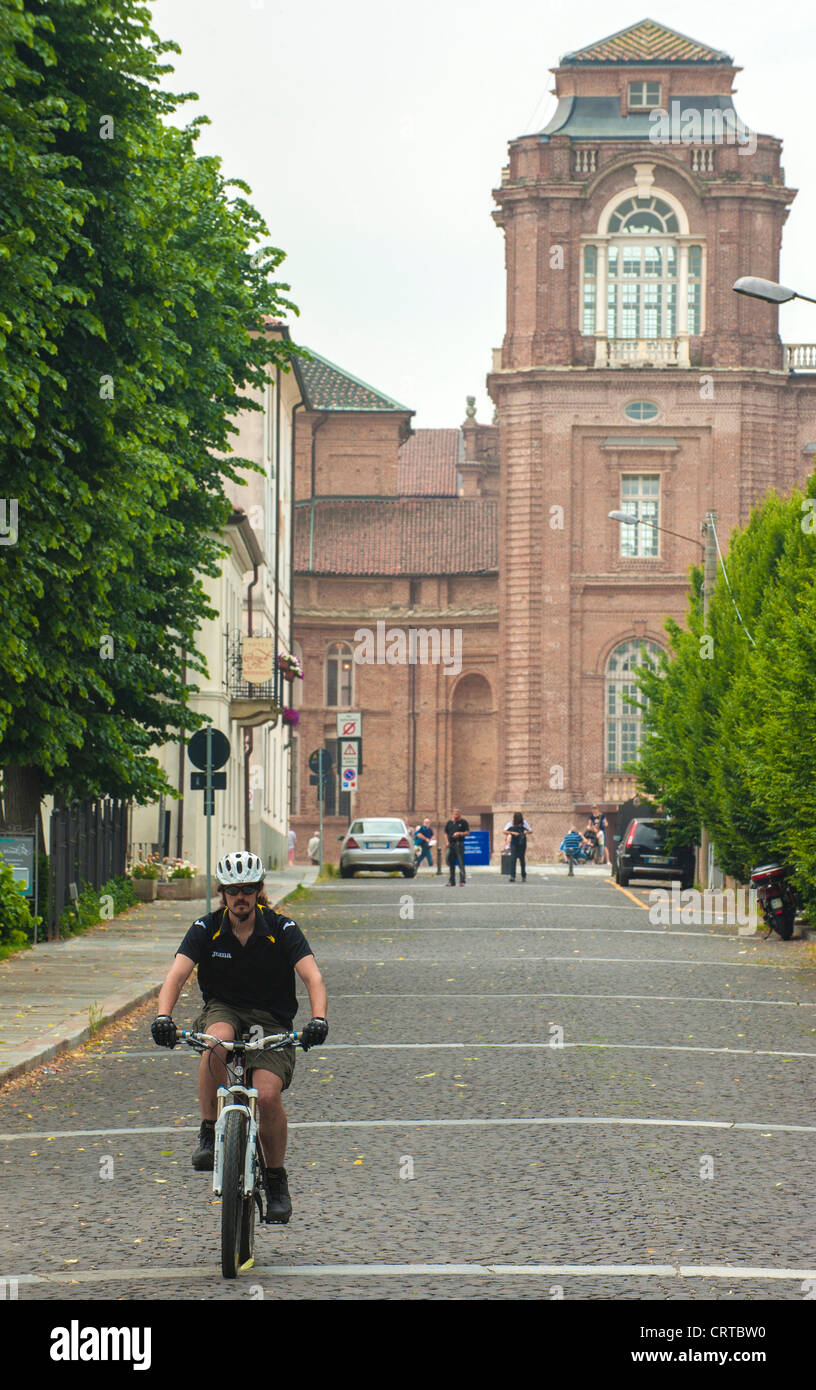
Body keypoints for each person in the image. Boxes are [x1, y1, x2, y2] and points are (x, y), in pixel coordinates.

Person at [149, 849, 328, 1224]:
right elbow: (176, 976)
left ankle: (277, 1181)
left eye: (247, 888)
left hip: (271, 1020)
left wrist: (318, 1019)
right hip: (224, 1009)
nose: (240, 896)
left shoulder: (282, 929)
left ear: (259, 890)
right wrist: (163, 1016)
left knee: (265, 1094)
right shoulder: (206, 928)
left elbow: (312, 977)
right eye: (233, 889)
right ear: (223, 893)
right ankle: (208, 1132)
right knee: (214, 1042)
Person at [444, 807, 469, 886]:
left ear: (460, 813)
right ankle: (452, 881)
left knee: (461, 863)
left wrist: (459, 833)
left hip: (459, 844)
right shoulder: (450, 822)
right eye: (455, 812)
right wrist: (447, 841)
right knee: (451, 863)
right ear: (453, 813)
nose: (456, 813)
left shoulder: (463, 822)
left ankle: (462, 881)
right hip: (451, 844)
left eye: (457, 812)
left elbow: (467, 832)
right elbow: (445, 833)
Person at [504, 811, 532, 882]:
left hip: (522, 843)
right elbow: (504, 831)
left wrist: (526, 832)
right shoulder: (511, 823)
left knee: (522, 860)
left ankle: (523, 875)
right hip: (514, 843)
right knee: (513, 860)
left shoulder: (524, 823)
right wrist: (512, 833)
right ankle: (512, 876)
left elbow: (531, 830)